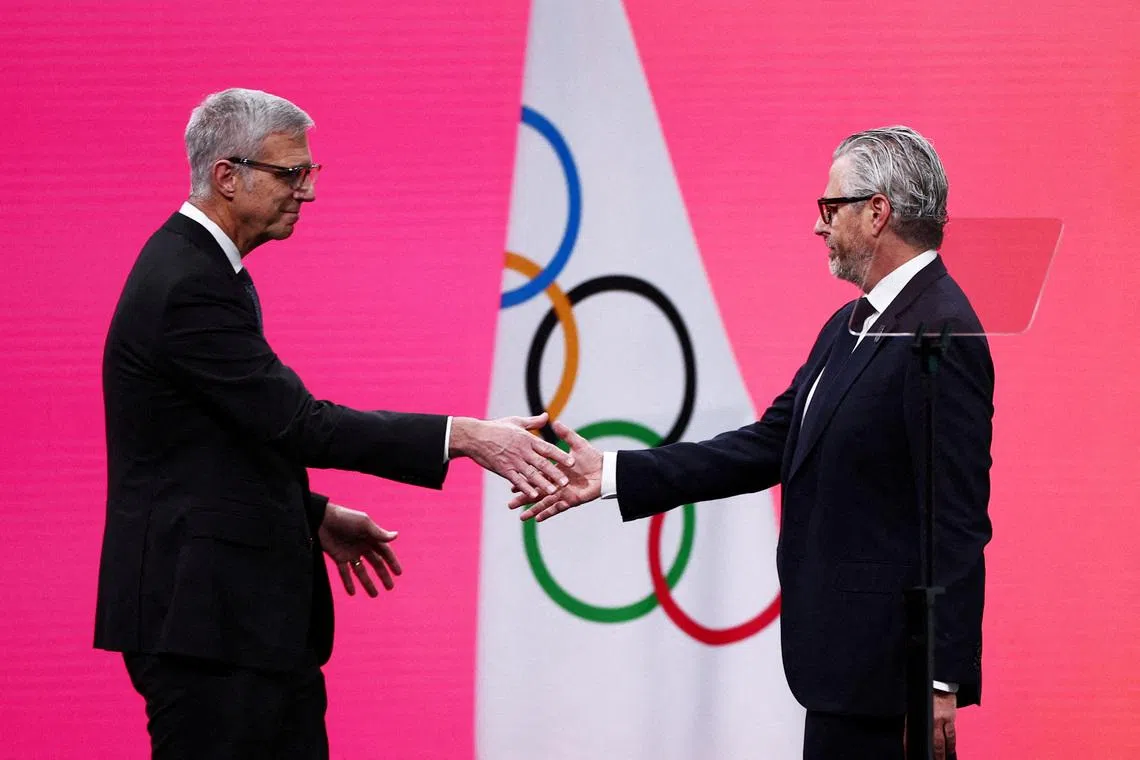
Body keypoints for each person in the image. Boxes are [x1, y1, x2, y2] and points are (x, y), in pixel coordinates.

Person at [94, 87, 574, 759]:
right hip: (207, 626)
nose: (308, 192)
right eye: (291, 173)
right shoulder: (187, 283)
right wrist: (464, 436)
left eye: (309, 173)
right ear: (228, 177)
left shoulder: (200, 268)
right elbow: (299, 424)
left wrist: (307, 512)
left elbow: (215, 442)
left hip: (234, 624)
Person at [512, 126, 993, 760]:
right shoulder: (848, 325)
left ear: (877, 213)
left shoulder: (944, 330)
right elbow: (768, 444)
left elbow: (954, 520)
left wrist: (939, 678)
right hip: (840, 672)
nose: (819, 226)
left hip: (891, 684)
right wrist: (609, 474)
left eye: (830, 207)